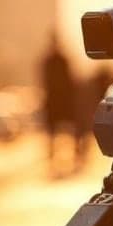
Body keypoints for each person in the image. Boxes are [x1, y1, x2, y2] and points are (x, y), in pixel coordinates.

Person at [40, 32, 77, 169]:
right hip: (57, 99)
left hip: (59, 99)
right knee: (54, 132)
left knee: (63, 131)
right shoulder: (55, 60)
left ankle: (66, 156)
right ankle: (54, 157)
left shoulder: (58, 60)